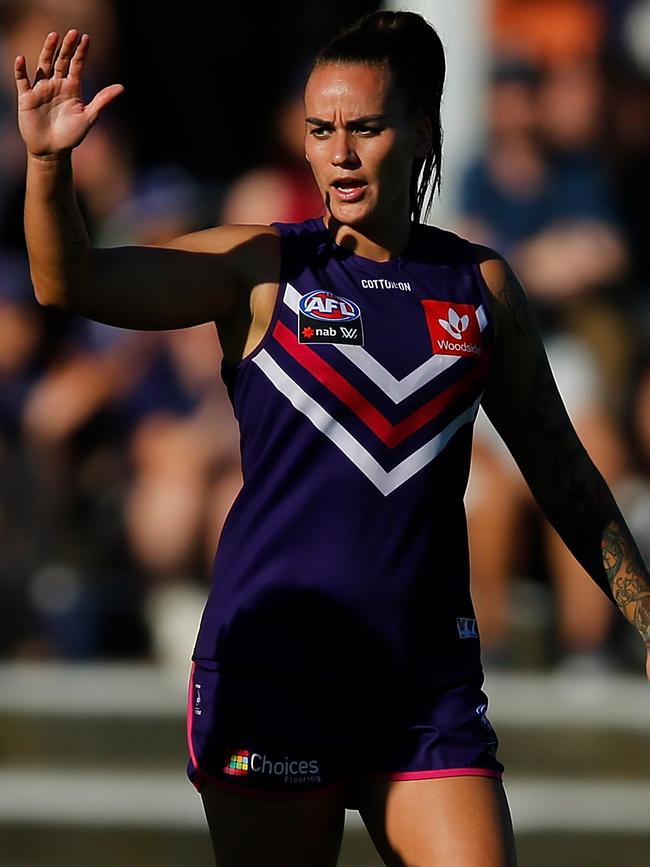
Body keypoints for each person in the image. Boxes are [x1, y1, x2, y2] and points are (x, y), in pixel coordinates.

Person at [14, 12, 650, 867]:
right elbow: (70, 281)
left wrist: (645, 616)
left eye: (365, 127)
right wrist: (50, 165)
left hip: (425, 689)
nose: (339, 153)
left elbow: (563, 470)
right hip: (274, 675)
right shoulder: (263, 267)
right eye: (320, 130)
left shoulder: (481, 286)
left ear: (421, 131)